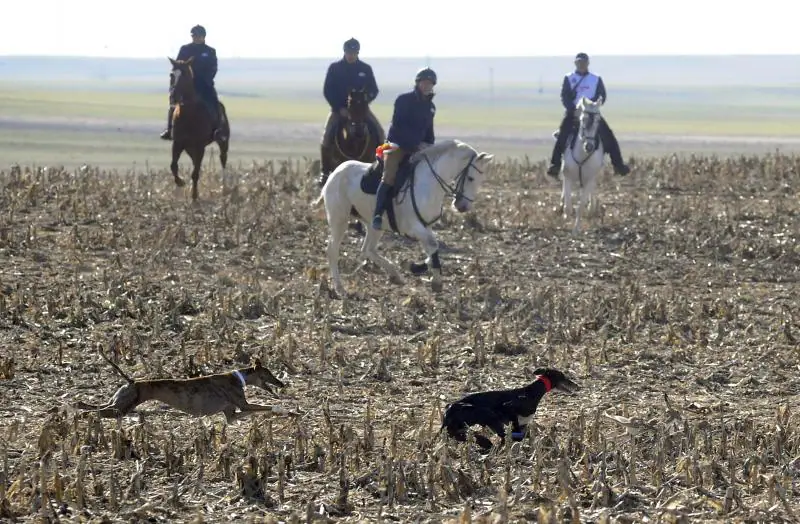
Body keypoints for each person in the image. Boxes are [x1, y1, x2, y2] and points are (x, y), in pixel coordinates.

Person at [371, 68, 437, 230]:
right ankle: (377, 214)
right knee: (389, 176)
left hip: (418, 148)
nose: (427, 86)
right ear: (418, 83)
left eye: (430, 83)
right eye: (424, 82)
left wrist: (430, 146)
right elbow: (398, 126)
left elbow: (429, 131)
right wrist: (415, 144)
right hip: (397, 145)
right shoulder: (403, 100)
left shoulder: (431, 107)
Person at [546, 52, 629, 177]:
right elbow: (564, 96)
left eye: (583, 62)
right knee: (562, 135)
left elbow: (602, 95)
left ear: (588, 63)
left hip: (592, 112)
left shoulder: (596, 79)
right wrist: (573, 108)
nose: (581, 65)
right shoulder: (569, 78)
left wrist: (594, 106)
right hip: (573, 113)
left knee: (609, 136)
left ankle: (618, 165)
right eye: (579, 62)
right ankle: (555, 165)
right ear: (575, 63)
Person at [321, 38, 385, 173]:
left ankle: (381, 167)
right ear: (344, 52)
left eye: (354, 52)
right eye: (349, 52)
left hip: (361, 110)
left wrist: (364, 101)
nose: (351, 55)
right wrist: (339, 108)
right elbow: (327, 90)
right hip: (339, 110)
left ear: (358, 53)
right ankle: (325, 171)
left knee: (380, 133)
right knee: (327, 136)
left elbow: (374, 89)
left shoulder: (365, 69)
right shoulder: (335, 68)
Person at [160, 25, 225, 141]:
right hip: (186, 83)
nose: (196, 38)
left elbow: (213, 68)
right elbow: (178, 64)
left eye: (198, 36)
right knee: (173, 102)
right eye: (194, 36)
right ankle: (170, 129)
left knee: (215, 103)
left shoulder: (210, 51)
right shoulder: (185, 49)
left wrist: (206, 80)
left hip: (205, 84)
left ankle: (218, 130)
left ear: (203, 37)